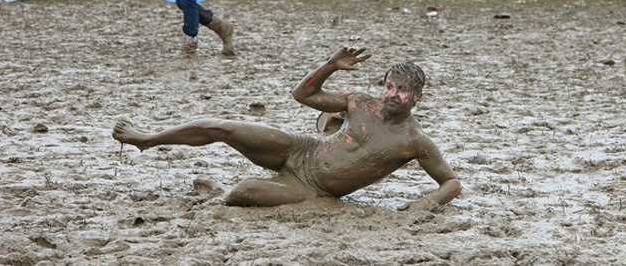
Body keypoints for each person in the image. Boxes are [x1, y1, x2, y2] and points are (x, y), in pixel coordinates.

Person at [112, 47, 461, 209]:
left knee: (241, 192)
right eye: (389, 86)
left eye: (401, 90)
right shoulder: (359, 101)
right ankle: (148, 139)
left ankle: (214, 195)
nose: (393, 95)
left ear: (417, 97)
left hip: (313, 188)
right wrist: (329, 66)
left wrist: (427, 202)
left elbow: (451, 183)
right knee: (221, 127)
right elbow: (303, 94)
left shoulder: (415, 141)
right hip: (300, 149)